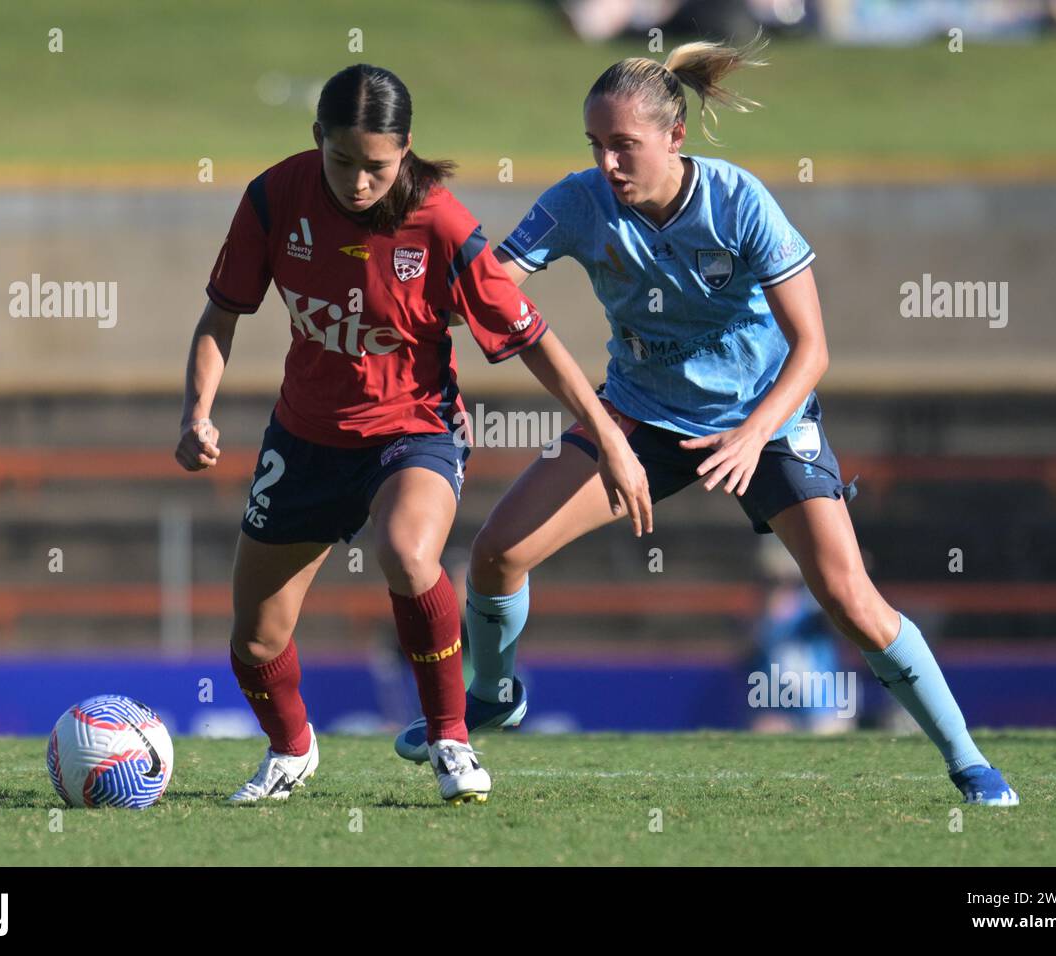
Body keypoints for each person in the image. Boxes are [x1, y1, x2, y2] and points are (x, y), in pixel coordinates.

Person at [395, 40, 1018, 806]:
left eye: (624, 145)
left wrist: (754, 435)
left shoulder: (739, 202)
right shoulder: (579, 201)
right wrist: (424, 262)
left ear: (674, 138)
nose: (609, 164)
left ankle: (969, 763)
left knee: (851, 599)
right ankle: (493, 696)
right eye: (596, 146)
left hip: (764, 419)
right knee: (497, 553)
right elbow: (491, 289)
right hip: (641, 414)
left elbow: (813, 349)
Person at [176, 63, 651, 805]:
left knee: (405, 550)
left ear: (405, 151)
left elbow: (532, 339)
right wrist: (197, 412)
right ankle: (291, 751)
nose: (359, 182)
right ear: (316, 141)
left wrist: (611, 441)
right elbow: (221, 317)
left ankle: (451, 740)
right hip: (304, 438)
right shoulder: (275, 198)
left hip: (414, 429)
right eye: (342, 162)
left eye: (377, 166)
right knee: (256, 641)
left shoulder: (440, 223)